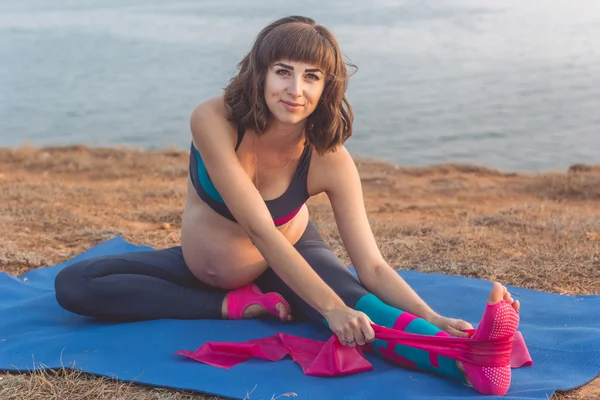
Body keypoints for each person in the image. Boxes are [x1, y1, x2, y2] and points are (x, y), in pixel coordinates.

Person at [54, 15, 521, 396]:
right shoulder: (213, 119)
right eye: (283, 71)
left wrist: (432, 317)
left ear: (326, 88)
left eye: (311, 76)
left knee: (361, 310)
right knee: (76, 284)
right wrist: (326, 306)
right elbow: (257, 228)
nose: (295, 89)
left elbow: (372, 266)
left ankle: (469, 359)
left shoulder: (329, 160)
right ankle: (231, 306)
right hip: (203, 270)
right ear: (260, 73)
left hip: (291, 257)